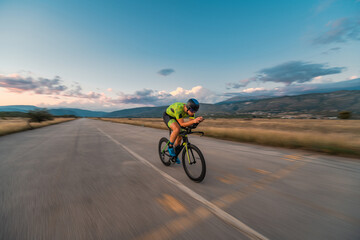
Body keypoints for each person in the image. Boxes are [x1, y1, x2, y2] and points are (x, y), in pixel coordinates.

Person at [163, 98, 204, 163]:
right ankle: (170, 147)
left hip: (178, 118)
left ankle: (175, 155)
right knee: (177, 129)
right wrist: (194, 121)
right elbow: (182, 124)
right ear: (188, 108)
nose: (193, 113)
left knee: (180, 135)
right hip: (169, 116)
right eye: (193, 111)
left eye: (195, 111)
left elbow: (190, 124)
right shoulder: (179, 109)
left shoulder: (191, 111)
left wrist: (197, 122)